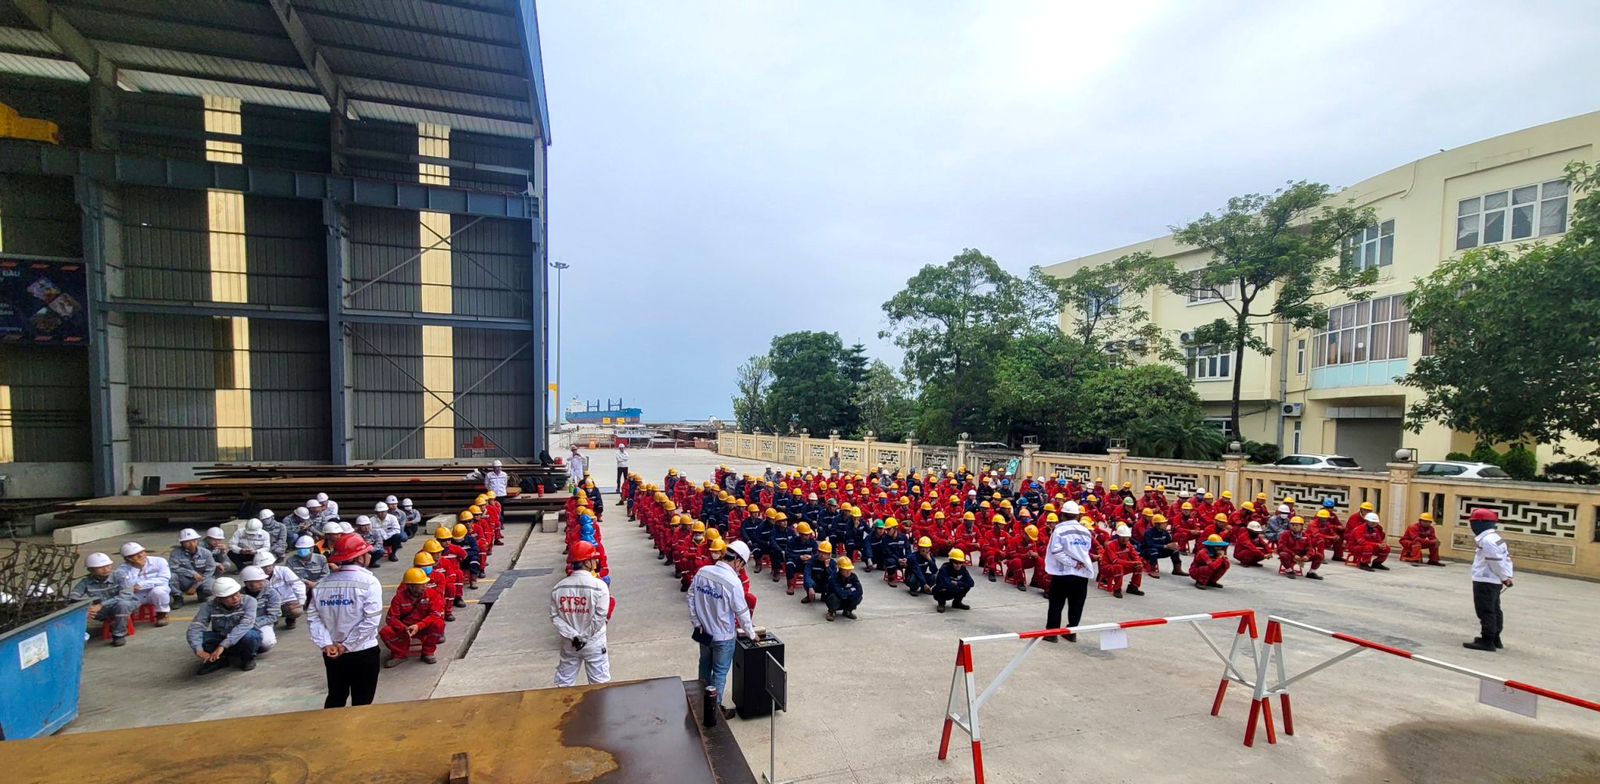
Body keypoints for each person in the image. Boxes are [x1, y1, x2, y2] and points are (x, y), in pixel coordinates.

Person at [308, 534, 385, 709]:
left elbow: (314, 618)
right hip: (363, 651)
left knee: (336, 696)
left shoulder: (322, 584)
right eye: (367, 552)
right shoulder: (369, 582)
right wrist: (347, 645)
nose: (370, 555)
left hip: (332, 653)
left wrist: (327, 644)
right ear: (359, 558)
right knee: (362, 702)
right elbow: (371, 621)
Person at [687, 540, 759, 724]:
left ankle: (701, 702)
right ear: (738, 561)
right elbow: (742, 612)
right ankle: (714, 710)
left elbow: (690, 596)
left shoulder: (703, 572)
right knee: (719, 673)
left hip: (704, 633)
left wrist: (696, 622)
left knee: (704, 667)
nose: (741, 570)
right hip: (723, 637)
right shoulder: (733, 582)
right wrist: (751, 634)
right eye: (742, 566)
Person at [551, 541, 613, 686]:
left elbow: (555, 617)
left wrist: (574, 636)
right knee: (600, 685)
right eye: (593, 559)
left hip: (570, 644)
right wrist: (583, 637)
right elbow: (599, 618)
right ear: (586, 563)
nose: (595, 562)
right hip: (594, 643)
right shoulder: (600, 587)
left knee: (564, 683)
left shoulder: (558, 588)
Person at [186, 577, 261, 674]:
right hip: (221, 636)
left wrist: (223, 645)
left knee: (250, 636)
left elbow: (245, 625)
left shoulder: (249, 601)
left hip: (240, 637)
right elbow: (196, 627)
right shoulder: (208, 606)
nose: (235, 598)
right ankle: (219, 659)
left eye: (236, 594)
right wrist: (198, 649)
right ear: (219, 598)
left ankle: (248, 658)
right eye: (229, 596)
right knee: (201, 638)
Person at [1463, 509, 1513, 652]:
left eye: (1473, 522)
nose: (1472, 526)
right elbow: (1507, 559)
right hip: (1494, 580)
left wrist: (1504, 577)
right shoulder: (1496, 538)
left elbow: (1496, 562)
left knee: (1485, 611)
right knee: (1495, 609)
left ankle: (1487, 641)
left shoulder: (1487, 541)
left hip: (1486, 580)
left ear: (1480, 523)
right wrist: (1507, 576)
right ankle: (1495, 638)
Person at [1044, 502, 1094, 642]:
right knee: (1077, 604)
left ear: (1062, 515)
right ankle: (1072, 632)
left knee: (1056, 603)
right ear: (1077, 516)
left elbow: (1056, 551)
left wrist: (1072, 563)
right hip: (1081, 574)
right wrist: (1078, 563)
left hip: (1063, 574)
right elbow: (1086, 549)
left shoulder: (1059, 530)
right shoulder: (1085, 531)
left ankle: (1052, 633)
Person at [381, 568, 448, 667]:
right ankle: (400, 654)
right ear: (410, 586)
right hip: (406, 628)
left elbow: (435, 614)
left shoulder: (432, 595)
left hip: (424, 627)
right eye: (421, 584)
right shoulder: (399, 598)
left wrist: (419, 626)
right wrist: (404, 628)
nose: (424, 586)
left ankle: (427, 652)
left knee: (439, 624)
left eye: (425, 583)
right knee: (385, 631)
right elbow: (391, 618)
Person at [68, 552, 139, 646]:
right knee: (80, 611)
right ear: (91, 570)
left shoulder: (120, 575)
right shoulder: (86, 581)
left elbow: (125, 595)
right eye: (100, 567)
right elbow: (74, 595)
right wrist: (87, 607)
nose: (106, 569)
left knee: (122, 604)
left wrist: (101, 605)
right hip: (102, 610)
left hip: (126, 604)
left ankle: (119, 635)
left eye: (108, 566)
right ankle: (78, 638)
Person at [114, 542, 172, 625]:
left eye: (141, 552)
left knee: (159, 591)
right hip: (137, 596)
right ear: (128, 559)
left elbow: (163, 579)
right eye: (135, 555)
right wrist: (136, 568)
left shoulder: (159, 561)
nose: (140, 556)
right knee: (123, 600)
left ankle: (162, 614)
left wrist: (141, 585)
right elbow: (128, 586)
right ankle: (123, 621)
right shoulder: (122, 569)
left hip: (155, 592)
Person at [238, 565, 281, 653]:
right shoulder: (238, 595)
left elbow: (273, 616)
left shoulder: (271, 593)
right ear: (247, 583)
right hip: (241, 624)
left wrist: (254, 623)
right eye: (257, 581)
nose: (261, 583)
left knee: (267, 643)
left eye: (262, 580)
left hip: (263, 623)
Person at [168, 528, 217, 606]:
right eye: (187, 542)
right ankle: (177, 597)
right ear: (182, 543)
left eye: (194, 540)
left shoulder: (206, 553)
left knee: (212, 586)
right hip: (184, 579)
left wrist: (195, 586)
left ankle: (202, 593)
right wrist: (192, 573)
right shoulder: (176, 553)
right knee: (171, 576)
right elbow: (173, 567)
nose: (191, 544)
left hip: (202, 579)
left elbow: (210, 570)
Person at [932, 548, 975, 613]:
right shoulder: (944, 569)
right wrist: (959, 586)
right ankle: (941, 604)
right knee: (942, 587)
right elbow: (946, 584)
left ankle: (957, 603)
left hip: (954, 589)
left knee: (966, 586)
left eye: (961, 563)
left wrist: (958, 583)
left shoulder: (963, 569)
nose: (958, 565)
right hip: (942, 591)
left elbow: (971, 583)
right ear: (951, 561)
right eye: (956, 562)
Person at [825, 556, 863, 621]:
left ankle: (848, 611)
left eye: (850, 569)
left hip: (847, 599)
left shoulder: (853, 577)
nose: (848, 572)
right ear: (840, 569)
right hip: (836, 601)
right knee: (834, 597)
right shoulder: (834, 578)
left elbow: (860, 591)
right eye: (846, 570)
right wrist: (851, 590)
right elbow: (840, 593)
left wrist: (846, 592)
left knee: (859, 597)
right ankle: (831, 612)